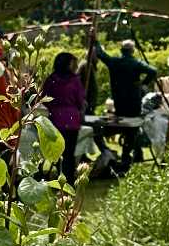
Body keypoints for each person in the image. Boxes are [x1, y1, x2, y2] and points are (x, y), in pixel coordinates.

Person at [40, 51, 88, 183]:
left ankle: (60, 176)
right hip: (71, 120)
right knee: (68, 153)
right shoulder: (74, 81)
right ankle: (68, 179)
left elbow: (45, 98)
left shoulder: (51, 79)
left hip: (55, 119)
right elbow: (80, 100)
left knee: (58, 151)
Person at [96, 35, 156, 119]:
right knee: (133, 123)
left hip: (119, 100)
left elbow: (100, 54)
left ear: (121, 50)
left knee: (121, 121)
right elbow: (153, 71)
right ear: (133, 51)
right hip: (134, 100)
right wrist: (143, 84)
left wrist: (95, 40)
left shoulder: (114, 62)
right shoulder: (137, 63)